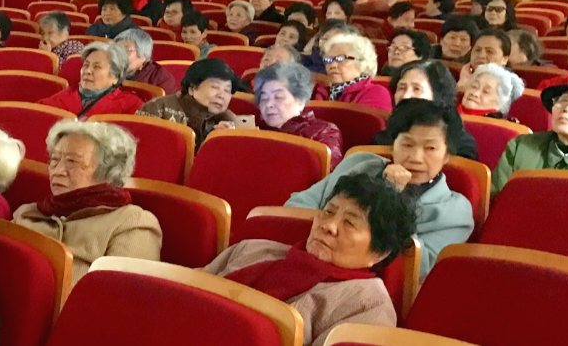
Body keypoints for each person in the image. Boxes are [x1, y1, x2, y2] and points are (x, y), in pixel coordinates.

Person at [205, 174, 417, 344]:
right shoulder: (251, 249)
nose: (328, 226)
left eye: (350, 223)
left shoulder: (368, 307)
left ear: (380, 252)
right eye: (328, 212)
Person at [288, 100, 474, 279]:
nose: (416, 157)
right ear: (393, 145)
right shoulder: (359, 164)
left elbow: (421, 269)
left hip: (369, 287)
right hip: (305, 261)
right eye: (407, 144)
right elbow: (297, 204)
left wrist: (393, 194)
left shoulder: (455, 212)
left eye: (430, 148)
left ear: (447, 155)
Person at [13, 120, 162, 282]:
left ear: (107, 171)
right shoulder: (27, 213)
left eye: (72, 162)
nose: (58, 171)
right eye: (54, 160)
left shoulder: (132, 223)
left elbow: (122, 293)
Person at [381, 60, 478, 161]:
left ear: (438, 96)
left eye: (416, 89)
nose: (406, 96)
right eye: (401, 88)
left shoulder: (461, 146)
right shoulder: (384, 137)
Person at [255, 62, 343, 167]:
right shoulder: (254, 131)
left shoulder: (324, 132)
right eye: (264, 98)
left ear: (301, 101)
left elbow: (326, 173)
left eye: (278, 97)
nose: (269, 104)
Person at [137, 58, 238, 149]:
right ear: (192, 89)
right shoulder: (157, 109)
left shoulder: (229, 120)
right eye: (215, 87)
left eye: (227, 90)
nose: (221, 95)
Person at [38, 42, 143, 118]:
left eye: (97, 67)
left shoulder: (131, 106)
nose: (87, 71)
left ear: (115, 77)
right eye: (86, 65)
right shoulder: (59, 100)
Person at [314, 32, 392, 110]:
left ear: (362, 63)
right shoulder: (319, 92)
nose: (332, 65)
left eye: (340, 59)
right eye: (328, 60)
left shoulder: (376, 92)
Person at [116, 28, 177, 94]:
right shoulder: (109, 69)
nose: (118, 54)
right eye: (116, 49)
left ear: (144, 56)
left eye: (125, 50)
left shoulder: (160, 78)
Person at [458, 63, 525, 119]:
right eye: (474, 86)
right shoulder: (452, 111)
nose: (475, 93)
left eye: (486, 91)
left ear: (500, 103)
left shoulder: (498, 128)